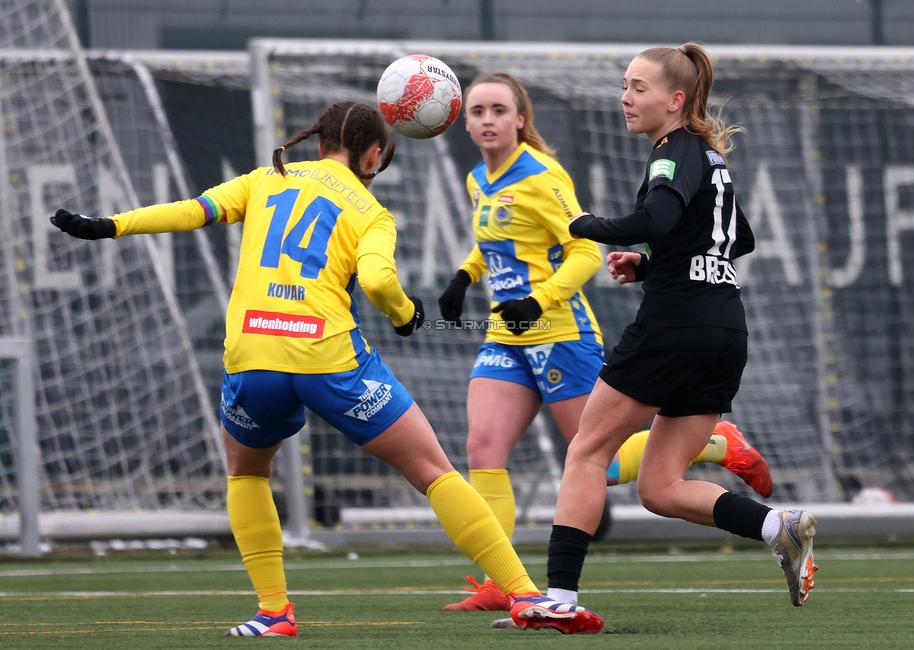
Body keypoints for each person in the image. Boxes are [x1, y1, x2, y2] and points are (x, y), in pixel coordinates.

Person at [50, 100, 602, 636]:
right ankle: (527, 593)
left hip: (253, 355)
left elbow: (192, 210)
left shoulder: (266, 178)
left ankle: (273, 613)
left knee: (246, 474)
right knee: (434, 472)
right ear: (372, 158)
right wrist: (406, 315)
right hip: (327, 358)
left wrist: (109, 226)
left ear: (319, 142)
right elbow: (382, 283)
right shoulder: (370, 211)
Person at [438, 72, 774, 614]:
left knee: (596, 458)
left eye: (498, 110)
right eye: (476, 111)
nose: (486, 120)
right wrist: (465, 275)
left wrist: (539, 300)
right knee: (483, 448)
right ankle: (501, 581)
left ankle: (714, 443)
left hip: (559, 331)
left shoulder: (542, 175)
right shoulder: (480, 178)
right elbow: (498, 243)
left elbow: (583, 251)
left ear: (521, 119)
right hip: (505, 334)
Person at [541, 43, 818, 616]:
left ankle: (560, 600)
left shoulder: (673, 151)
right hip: (724, 330)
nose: (625, 97)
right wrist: (648, 261)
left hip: (676, 324)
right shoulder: (710, 159)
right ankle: (776, 526)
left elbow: (657, 218)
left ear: (675, 100)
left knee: (587, 453)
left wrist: (588, 226)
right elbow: (737, 238)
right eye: (625, 85)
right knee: (660, 488)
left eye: (638, 87)